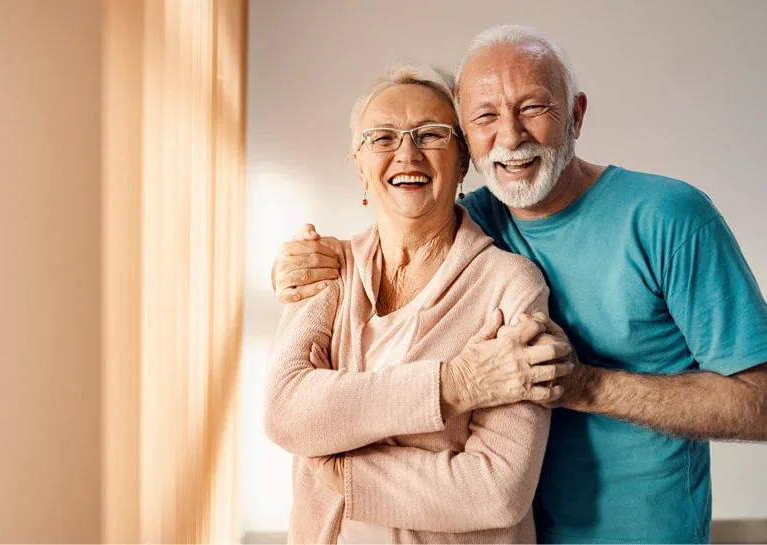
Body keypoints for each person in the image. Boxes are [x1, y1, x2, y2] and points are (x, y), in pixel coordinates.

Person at [271, 25, 767, 544]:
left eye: (533, 108)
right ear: (468, 140)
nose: (510, 137)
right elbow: (406, 215)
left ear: (575, 115)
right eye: (485, 116)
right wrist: (297, 265)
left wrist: (587, 386)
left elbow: (760, 400)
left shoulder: (668, 218)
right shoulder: (477, 219)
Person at [264, 64, 574, 544]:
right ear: (360, 166)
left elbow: (497, 491)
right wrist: (457, 384)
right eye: (382, 138)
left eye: (430, 135)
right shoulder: (327, 268)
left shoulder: (511, 285)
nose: (406, 153)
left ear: (462, 160)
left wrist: (344, 472)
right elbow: (284, 412)